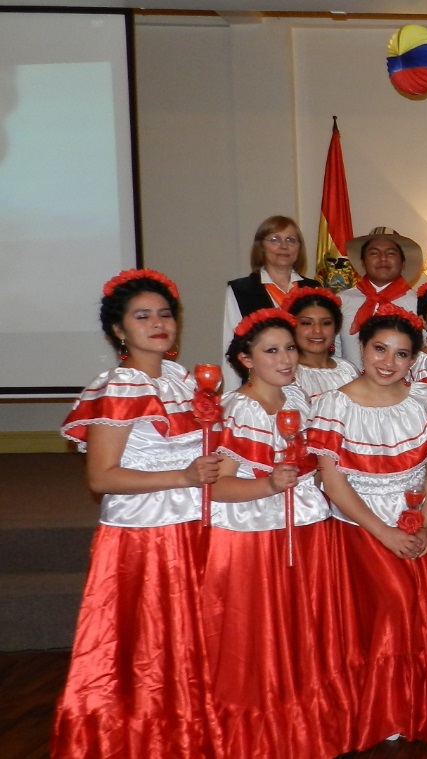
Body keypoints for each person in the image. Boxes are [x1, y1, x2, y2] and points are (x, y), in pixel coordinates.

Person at [53, 269, 222, 758]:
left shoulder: (180, 378)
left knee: (187, 645)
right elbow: (101, 477)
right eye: (142, 316)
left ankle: (188, 736)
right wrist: (184, 478)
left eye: (165, 314)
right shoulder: (121, 385)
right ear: (118, 331)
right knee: (143, 651)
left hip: (190, 528)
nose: (157, 324)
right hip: (143, 537)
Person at [206, 308, 355, 759]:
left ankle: (301, 725)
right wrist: (267, 484)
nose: (287, 358)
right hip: (254, 537)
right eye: (272, 351)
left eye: (289, 347)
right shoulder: (241, 409)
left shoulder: (296, 401)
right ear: (246, 359)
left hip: (303, 528)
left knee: (300, 628)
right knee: (259, 635)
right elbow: (216, 488)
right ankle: (258, 734)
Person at [307, 307, 427, 749]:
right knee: (388, 613)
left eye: (402, 354)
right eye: (379, 349)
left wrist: (425, 522)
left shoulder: (424, 400)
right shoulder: (334, 403)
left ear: (414, 360)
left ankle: (417, 707)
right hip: (360, 529)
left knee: (421, 616)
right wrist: (384, 533)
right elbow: (333, 480)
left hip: (418, 523)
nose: (388, 362)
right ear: (363, 349)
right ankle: (382, 709)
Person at [222, 215, 320, 390]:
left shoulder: (314, 289)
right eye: (274, 239)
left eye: (291, 240)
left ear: (299, 249)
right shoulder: (241, 290)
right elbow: (232, 348)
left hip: (309, 385)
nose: (283, 246)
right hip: (261, 388)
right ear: (261, 247)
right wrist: (232, 396)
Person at [336, 227, 423, 367]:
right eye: (374, 253)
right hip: (351, 384)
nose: (383, 258)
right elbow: (336, 353)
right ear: (363, 263)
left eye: (391, 253)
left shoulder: (419, 303)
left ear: (403, 263)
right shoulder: (341, 301)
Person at [283, 286, 359, 400]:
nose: (317, 330)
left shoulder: (348, 370)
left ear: (336, 328)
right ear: (292, 327)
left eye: (326, 323)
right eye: (307, 323)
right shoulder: (287, 373)